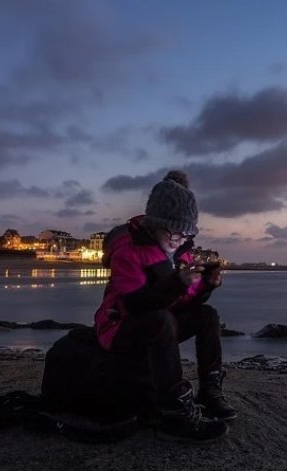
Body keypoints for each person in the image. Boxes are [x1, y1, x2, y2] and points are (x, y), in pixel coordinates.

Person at [93, 170, 235, 443]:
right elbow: (135, 304)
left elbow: (184, 299)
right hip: (119, 327)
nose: (180, 238)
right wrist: (177, 284)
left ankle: (210, 388)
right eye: (174, 230)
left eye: (186, 233)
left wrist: (205, 285)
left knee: (207, 316)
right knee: (162, 320)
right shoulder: (128, 250)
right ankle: (174, 413)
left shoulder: (179, 249)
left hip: (158, 322)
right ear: (156, 223)